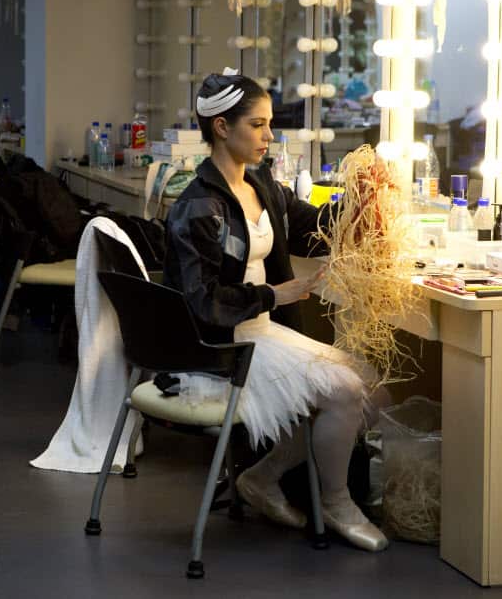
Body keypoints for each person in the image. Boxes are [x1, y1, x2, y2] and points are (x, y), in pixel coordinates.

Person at [163, 69, 389, 552]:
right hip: (222, 346)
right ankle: (335, 500)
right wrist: (274, 295)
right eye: (258, 125)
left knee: (374, 388)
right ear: (222, 128)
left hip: (261, 331)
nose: (269, 136)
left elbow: (312, 227)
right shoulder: (198, 207)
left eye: (269, 124)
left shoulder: (261, 185)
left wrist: (361, 201)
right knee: (347, 389)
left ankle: (261, 478)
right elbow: (202, 303)